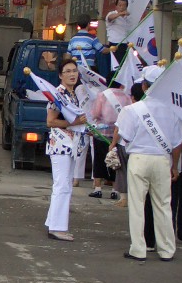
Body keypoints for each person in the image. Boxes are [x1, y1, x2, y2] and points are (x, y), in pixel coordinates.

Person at [113, 65, 182, 261]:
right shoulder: (173, 111)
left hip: (138, 159)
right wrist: (174, 165)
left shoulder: (131, 110)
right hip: (162, 159)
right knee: (163, 205)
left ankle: (138, 249)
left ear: (144, 86)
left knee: (137, 205)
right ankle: (167, 249)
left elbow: (125, 137)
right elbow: (177, 141)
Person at [43, 58, 91, 241]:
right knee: (62, 185)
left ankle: (53, 221)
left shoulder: (73, 94)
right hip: (60, 145)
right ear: (60, 75)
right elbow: (50, 121)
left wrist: (82, 126)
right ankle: (57, 227)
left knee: (65, 185)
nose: (72, 74)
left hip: (71, 145)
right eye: (68, 71)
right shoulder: (58, 94)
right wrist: (74, 123)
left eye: (74, 71)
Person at [87, 82, 130, 201]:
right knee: (116, 162)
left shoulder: (102, 95)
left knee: (99, 160)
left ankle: (98, 189)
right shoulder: (126, 96)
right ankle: (114, 190)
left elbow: (95, 113)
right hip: (118, 134)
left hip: (102, 133)